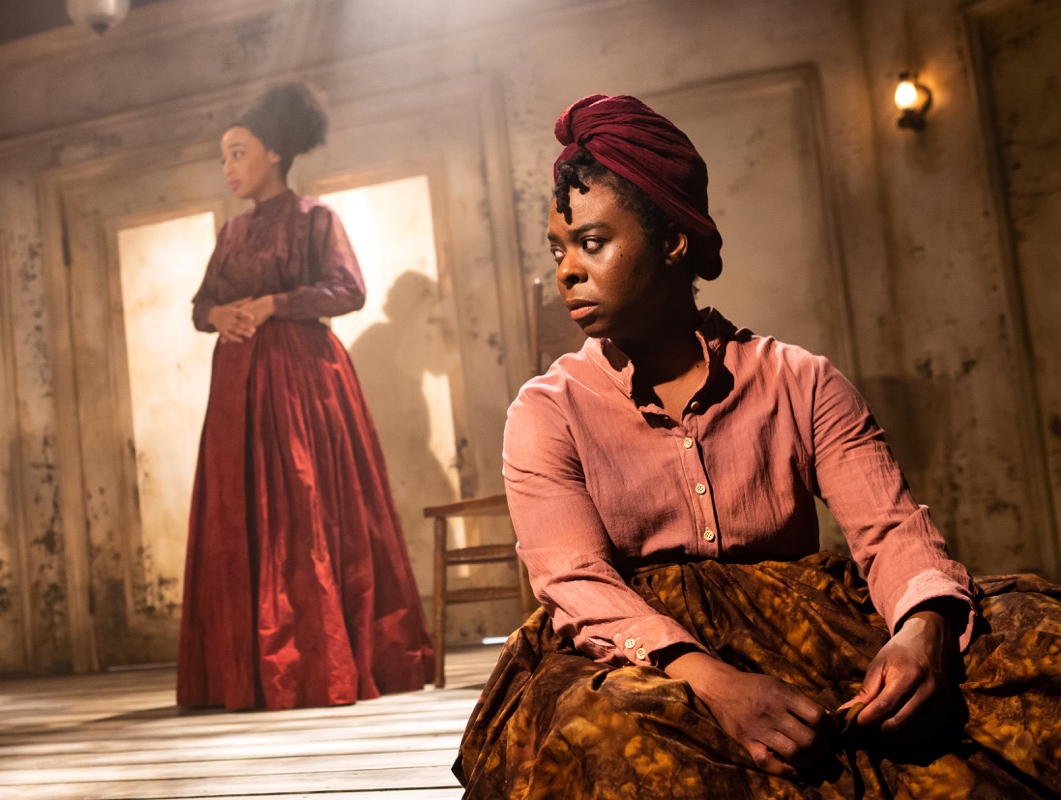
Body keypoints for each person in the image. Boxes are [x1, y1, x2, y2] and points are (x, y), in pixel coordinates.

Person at [454, 94, 1061, 798]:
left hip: (804, 629)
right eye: (558, 249)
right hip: (639, 657)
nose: (566, 270)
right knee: (608, 738)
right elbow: (577, 584)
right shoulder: (546, 411)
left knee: (1040, 639)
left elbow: (891, 532)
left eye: (592, 243)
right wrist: (717, 685)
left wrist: (920, 629)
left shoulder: (800, 381)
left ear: (673, 241)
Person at [177, 82, 433, 712]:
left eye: (238, 153)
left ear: (273, 153)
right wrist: (220, 316)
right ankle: (249, 671)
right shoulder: (232, 233)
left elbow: (348, 290)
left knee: (306, 509)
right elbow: (197, 305)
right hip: (237, 394)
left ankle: (319, 662)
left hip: (303, 388)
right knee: (245, 516)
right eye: (223, 157)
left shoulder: (316, 218)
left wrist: (274, 305)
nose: (228, 167)